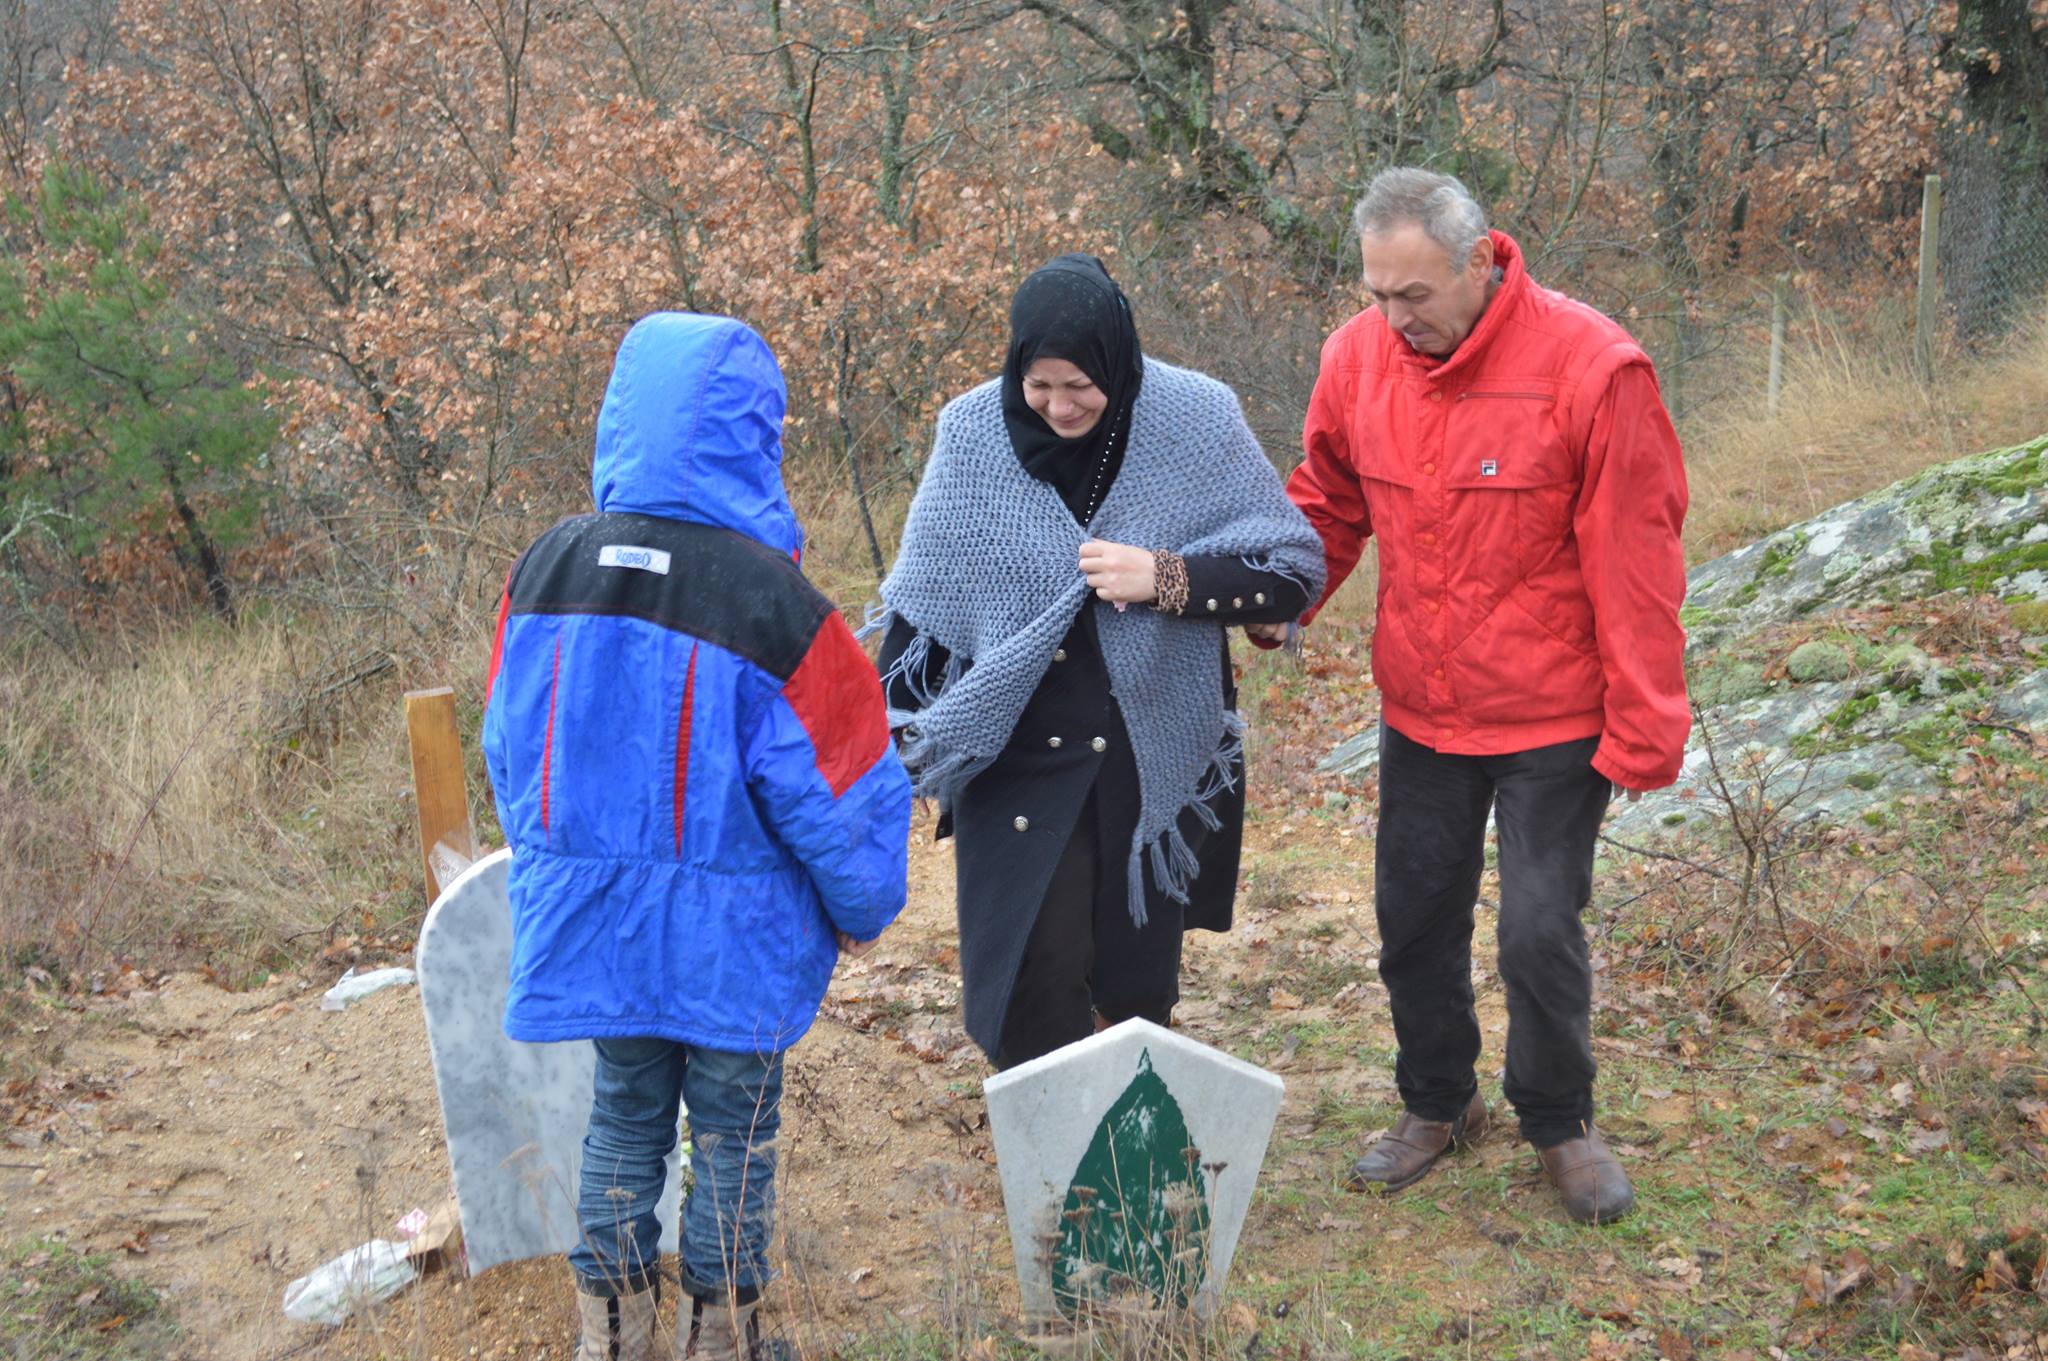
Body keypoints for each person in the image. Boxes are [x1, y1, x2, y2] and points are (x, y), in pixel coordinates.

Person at [482, 313, 911, 1361]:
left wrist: (552, 867)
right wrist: (863, 906)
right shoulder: (776, 602)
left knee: (622, 1114)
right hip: (738, 936)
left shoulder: (546, 568)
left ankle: (613, 1334)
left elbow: (506, 741)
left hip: (599, 925)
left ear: (620, 415)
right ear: (750, 431)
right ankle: (723, 1335)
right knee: (734, 1134)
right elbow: (839, 785)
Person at [1272, 168, 1689, 1223]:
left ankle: (1558, 1120)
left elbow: (1634, 558)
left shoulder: (1591, 365)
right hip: (1420, 702)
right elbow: (1324, 498)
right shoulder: (1354, 357)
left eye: (1410, 295)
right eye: (1375, 292)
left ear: (1477, 260)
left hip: (1553, 712)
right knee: (1411, 916)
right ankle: (1435, 1101)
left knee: (1536, 927)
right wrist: (1285, 597)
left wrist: (1647, 719)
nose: (1390, 316)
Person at [873, 254, 1326, 1069]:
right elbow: (927, 595)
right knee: (1027, 975)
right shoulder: (973, 431)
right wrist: (892, 737)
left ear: (1118, 361)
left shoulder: (1195, 418)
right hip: (1015, 737)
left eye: (1080, 384)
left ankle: (1125, 1144)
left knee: (1134, 979)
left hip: (1144, 737)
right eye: (1039, 385)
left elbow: (1292, 572)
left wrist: (1167, 578)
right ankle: (1044, 1154)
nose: (1059, 405)